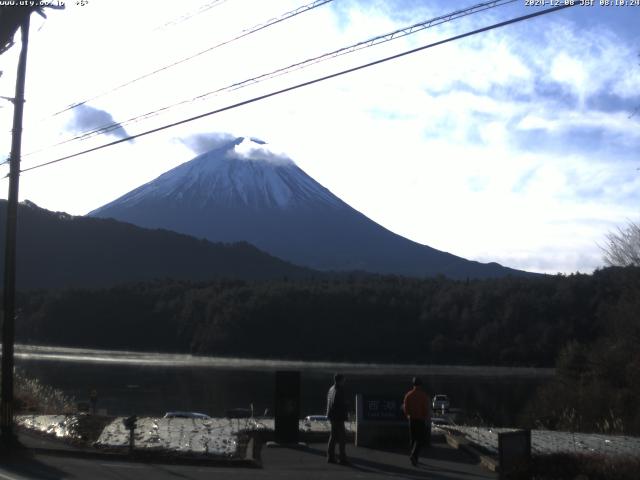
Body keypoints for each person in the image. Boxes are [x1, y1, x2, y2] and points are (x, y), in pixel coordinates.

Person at [403, 377, 431, 467]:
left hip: (411, 419)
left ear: (413, 384)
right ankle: (414, 456)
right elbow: (426, 409)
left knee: (413, 439)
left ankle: (414, 457)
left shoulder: (408, 395)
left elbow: (405, 407)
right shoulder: (423, 396)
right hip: (420, 419)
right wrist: (426, 418)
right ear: (420, 385)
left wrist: (408, 415)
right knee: (420, 439)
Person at [326, 373, 349, 465]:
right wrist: (346, 405)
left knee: (333, 436)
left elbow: (330, 402)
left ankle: (330, 457)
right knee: (342, 438)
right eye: (344, 379)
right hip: (338, 417)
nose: (345, 381)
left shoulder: (331, 388)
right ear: (340, 380)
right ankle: (342, 458)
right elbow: (337, 403)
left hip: (332, 416)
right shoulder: (339, 389)